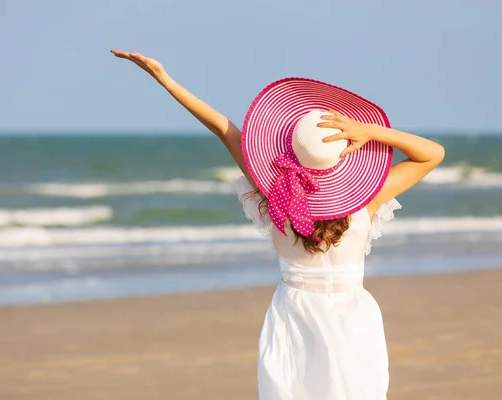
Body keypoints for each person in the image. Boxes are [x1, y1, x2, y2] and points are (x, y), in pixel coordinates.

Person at [111, 49, 445, 400]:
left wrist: (166, 80)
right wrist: (372, 131)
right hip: (352, 319)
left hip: (293, 318)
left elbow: (223, 129)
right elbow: (432, 153)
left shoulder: (273, 189)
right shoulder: (367, 199)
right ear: (345, 155)